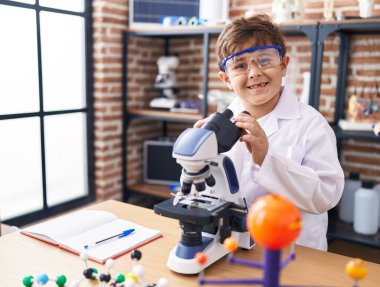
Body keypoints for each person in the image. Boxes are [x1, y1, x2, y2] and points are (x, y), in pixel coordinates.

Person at [195, 14, 344, 251]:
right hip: (232, 247)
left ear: (283, 65)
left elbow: (326, 195)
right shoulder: (220, 124)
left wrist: (267, 158)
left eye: (264, 60)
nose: (254, 72)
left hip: (295, 252)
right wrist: (199, 158)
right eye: (240, 65)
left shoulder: (311, 125)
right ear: (226, 79)